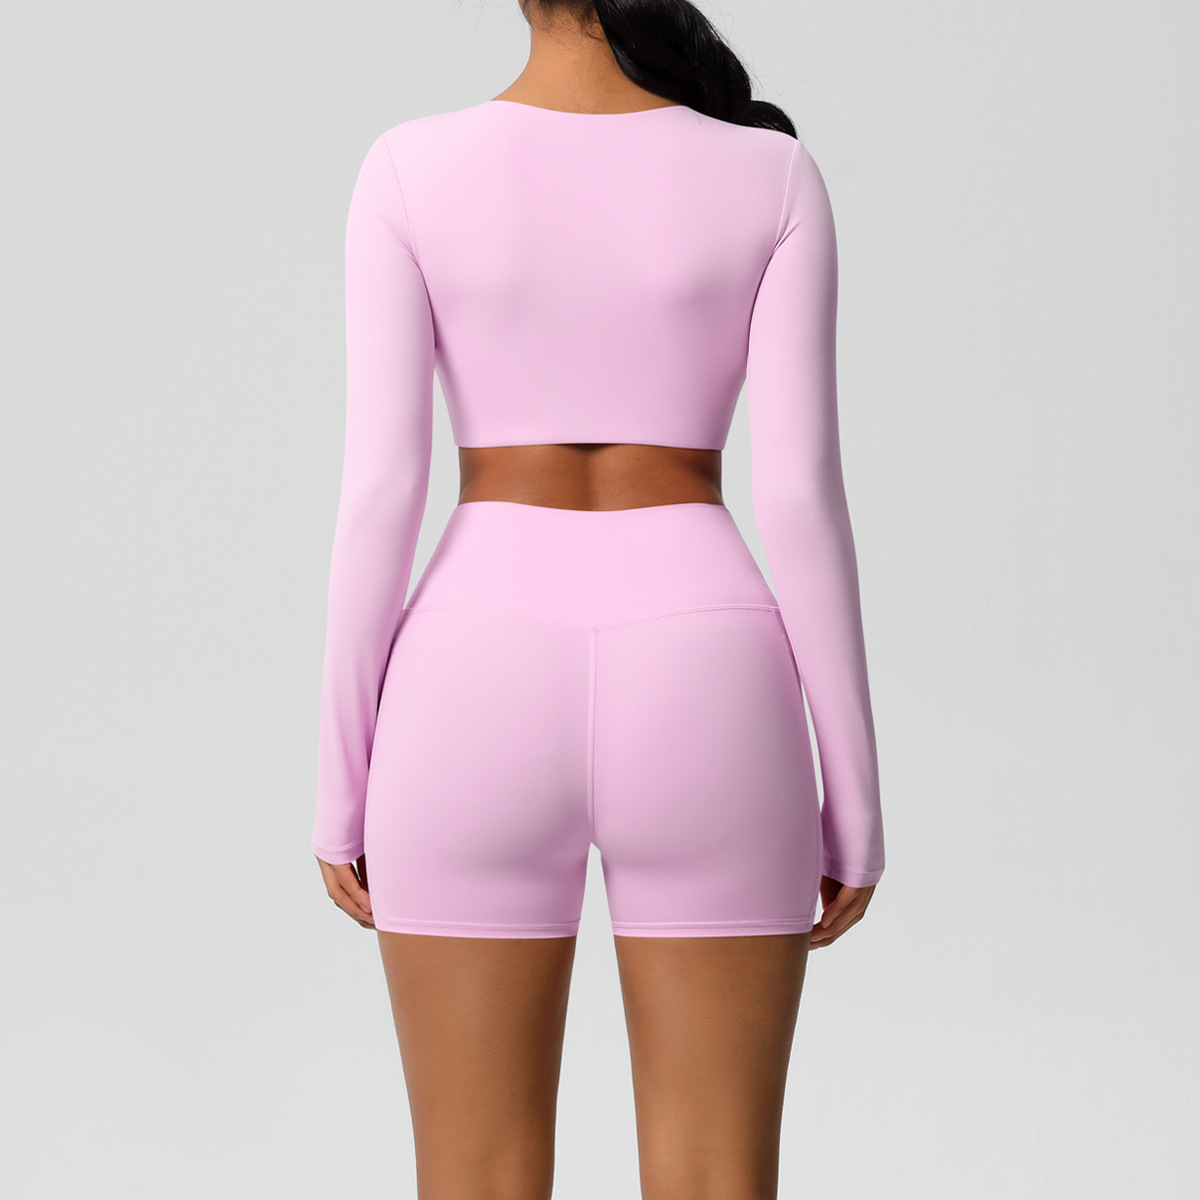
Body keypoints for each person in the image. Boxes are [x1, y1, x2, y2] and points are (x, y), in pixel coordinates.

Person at [311, 1, 885, 1195]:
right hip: (706, 669)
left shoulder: (408, 168)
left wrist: (340, 785)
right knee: (717, 1177)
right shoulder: (772, 174)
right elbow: (798, 497)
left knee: (471, 1176)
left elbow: (380, 493)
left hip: (471, 668)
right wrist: (857, 801)